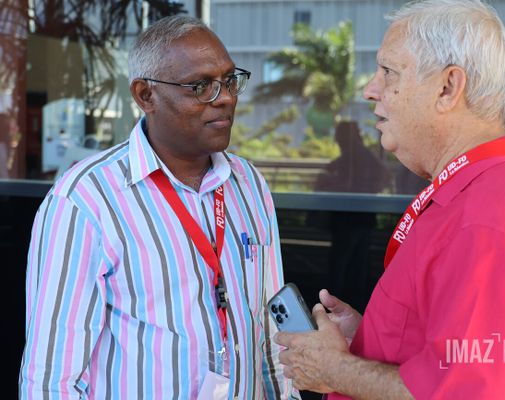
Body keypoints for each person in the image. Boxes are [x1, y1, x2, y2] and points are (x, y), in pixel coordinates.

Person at [275, 1, 505, 399]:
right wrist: (369, 340)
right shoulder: (471, 198)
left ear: (448, 87)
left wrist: (337, 370)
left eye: (388, 72)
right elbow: (446, 358)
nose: (370, 89)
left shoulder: (488, 223)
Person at [19, 16, 298, 399]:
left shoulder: (248, 185)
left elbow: (270, 333)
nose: (227, 97)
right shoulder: (85, 200)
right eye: (201, 86)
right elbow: (51, 379)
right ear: (144, 96)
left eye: (230, 80)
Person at [314, 120, 389, 311]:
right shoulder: (354, 156)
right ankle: (353, 303)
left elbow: (378, 178)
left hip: (353, 219)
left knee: (343, 264)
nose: (338, 141)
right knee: (355, 264)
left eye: (340, 137)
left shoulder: (359, 157)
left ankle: (335, 304)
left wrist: (334, 184)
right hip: (356, 218)